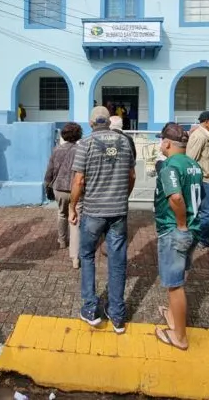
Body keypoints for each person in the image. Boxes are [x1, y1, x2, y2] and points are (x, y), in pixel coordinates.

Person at [69, 106, 136, 334]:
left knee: (87, 256)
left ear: (90, 123)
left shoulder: (84, 144)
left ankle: (90, 309)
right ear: (109, 122)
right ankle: (117, 315)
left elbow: (79, 181)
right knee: (117, 261)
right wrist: (122, 197)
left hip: (93, 211)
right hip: (118, 212)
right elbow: (131, 176)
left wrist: (72, 206)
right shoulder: (125, 142)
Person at [153, 123, 202, 351]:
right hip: (192, 228)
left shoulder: (170, 166)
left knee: (174, 285)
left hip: (175, 229)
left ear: (167, 143)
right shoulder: (194, 164)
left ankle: (179, 337)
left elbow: (175, 198)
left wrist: (180, 223)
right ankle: (173, 316)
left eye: (161, 141)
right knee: (179, 276)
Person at [44, 122, 83, 268]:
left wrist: (47, 184)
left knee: (62, 214)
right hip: (76, 189)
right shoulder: (81, 150)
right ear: (79, 134)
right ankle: (75, 256)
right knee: (76, 219)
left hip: (59, 187)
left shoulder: (57, 150)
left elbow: (50, 171)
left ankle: (62, 241)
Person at [186, 111, 209, 251]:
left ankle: (199, 239)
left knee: (204, 211)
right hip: (203, 179)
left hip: (206, 178)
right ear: (206, 121)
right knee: (208, 212)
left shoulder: (204, 135)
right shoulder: (200, 136)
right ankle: (202, 241)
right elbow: (190, 159)